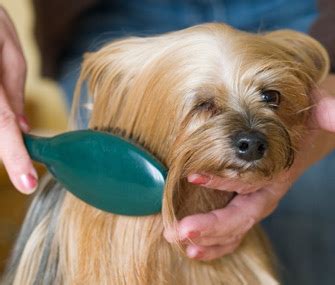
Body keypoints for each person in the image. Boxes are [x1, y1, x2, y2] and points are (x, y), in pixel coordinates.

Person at [1, 1, 335, 284]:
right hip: (111, 13)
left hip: (300, 12)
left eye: (269, 97)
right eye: (206, 105)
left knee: (310, 207)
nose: (251, 136)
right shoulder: (120, 67)